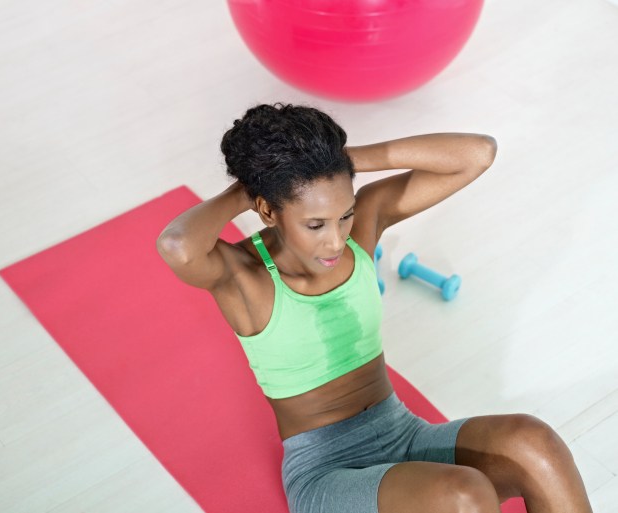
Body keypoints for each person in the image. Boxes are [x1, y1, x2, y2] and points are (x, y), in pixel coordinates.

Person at [157, 102, 592, 513]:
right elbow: (176, 245)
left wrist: (343, 162)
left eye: (344, 214)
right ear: (268, 210)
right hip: (328, 471)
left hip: (405, 433)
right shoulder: (244, 276)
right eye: (315, 224)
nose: (336, 238)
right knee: (463, 495)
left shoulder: (363, 227)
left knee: (534, 442)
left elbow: (477, 153)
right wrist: (250, 187)